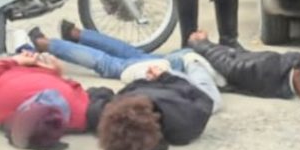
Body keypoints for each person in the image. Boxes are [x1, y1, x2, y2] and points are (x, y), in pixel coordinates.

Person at [28, 21, 224, 112]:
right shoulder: (217, 81)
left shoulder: (233, 69)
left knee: (128, 53)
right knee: (111, 65)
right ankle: (47, 43)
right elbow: (210, 100)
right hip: (186, 62)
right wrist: (170, 75)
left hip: (186, 59)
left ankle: (77, 35)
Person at [94, 64, 215, 150]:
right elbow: (205, 99)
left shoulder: (184, 125)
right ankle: (194, 62)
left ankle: (191, 62)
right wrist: (164, 76)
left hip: (160, 83)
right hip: (171, 86)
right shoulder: (184, 124)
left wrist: (164, 77)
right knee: (201, 78)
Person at [185, 31, 300, 103]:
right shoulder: (266, 68)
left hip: (219, 62)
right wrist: (202, 44)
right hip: (198, 64)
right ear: (298, 73)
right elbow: (228, 66)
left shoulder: (299, 68)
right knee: (211, 103)